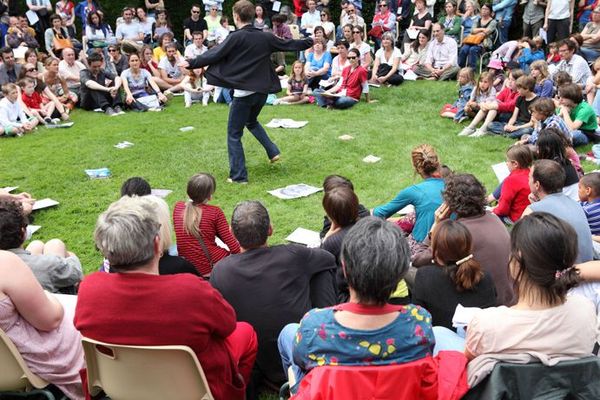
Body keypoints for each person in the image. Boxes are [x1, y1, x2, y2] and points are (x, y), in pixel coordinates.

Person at [74, 196, 258, 400]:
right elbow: (227, 325)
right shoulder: (190, 290)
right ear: (156, 244)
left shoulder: (89, 289)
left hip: (123, 386)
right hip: (196, 390)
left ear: (106, 251)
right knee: (245, 332)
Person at [440, 213, 597, 387]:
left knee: (440, 334)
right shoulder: (586, 311)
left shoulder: (486, 325)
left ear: (517, 260)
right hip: (566, 390)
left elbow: (464, 367)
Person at [277, 217, 435, 389]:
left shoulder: (314, 326)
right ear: (401, 274)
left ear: (344, 267)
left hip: (332, 390)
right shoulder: (419, 322)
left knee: (288, 333)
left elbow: (301, 360)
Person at [183, 0, 313, 184]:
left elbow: (215, 54)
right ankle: (273, 151)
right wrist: (310, 40)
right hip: (261, 93)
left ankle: (238, 176)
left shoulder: (235, 37)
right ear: (253, 16)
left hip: (244, 95)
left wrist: (191, 62)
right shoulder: (265, 36)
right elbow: (289, 44)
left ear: (236, 17)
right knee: (251, 121)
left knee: (233, 134)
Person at [210, 200, 336, 388]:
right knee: (321, 270)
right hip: (291, 352)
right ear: (270, 229)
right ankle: (327, 332)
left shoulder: (220, 270)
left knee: (320, 268)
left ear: (231, 232)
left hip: (265, 358)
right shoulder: (293, 255)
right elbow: (329, 259)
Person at [413, 174, 514, 306]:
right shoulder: (494, 218)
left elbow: (417, 260)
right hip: (508, 299)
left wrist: (436, 226)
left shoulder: (459, 234)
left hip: (486, 306)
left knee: (414, 273)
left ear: (448, 204)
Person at [0, 250, 85, 400]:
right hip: (27, 364)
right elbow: (51, 321)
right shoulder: (4, 263)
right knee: (86, 315)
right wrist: (48, 295)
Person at [412, 219, 496, 330]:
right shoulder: (485, 277)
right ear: (468, 246)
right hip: (482, 343)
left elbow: (418, 322)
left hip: (442, 344)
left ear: (436, 251)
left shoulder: (425, 276)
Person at [0, 200, 82, 294]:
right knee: (56, 244)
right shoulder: (46, 265)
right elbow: (76, 273)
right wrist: (72, 257)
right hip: (55, 302)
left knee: (36, 244)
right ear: (23, 232)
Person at [373, 144, 445, 247]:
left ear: (416, 167)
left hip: (423, 247)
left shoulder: (414, 191)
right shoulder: (456, 186)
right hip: (453, 243)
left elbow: (380, 213)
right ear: (438, 162)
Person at [523, 159, 594, 263]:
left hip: (566, 276)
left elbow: (517, 246)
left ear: (537, 185)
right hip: (588, 273)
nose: (528, 180)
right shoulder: (576, 204)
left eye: (529, 177)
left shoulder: (532, 212)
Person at [173, 173, 240, 277]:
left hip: (187, 266)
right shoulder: (215, 213)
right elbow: (234, 249)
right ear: (210, 196)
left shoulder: (178, 207)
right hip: (211, 266)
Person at [491, 145, 533, 223]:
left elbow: (502, 210)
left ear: (515, 164)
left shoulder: (511, 180)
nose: (506, 163)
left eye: (508, 161)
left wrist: (492, 210)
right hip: (532, 216)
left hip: (516, 219)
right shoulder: (532, 174)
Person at [458, 3, 497, 70]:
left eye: (486, 9)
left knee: (473, 49)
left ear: (490, 11)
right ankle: (460, 68)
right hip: (473, 41)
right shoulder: (477, 20)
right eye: (483, 9)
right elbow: (472, 30)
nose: (484, 10)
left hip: (484, 43)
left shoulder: (493, 22)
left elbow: (486, 32)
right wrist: (482, 29)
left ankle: (471, 70)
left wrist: (478, 31)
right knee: (464, 49)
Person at [578, 172, 600, 241]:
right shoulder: (586, 205)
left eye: (579, 188)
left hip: (593, 242)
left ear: (588, 191)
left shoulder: (586, 211)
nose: (578, 191)